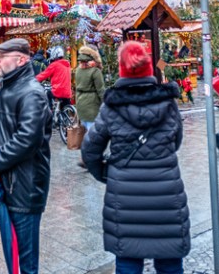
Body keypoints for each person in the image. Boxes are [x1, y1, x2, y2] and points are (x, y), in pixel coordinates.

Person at [81, 41, 189, 274]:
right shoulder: (168, 103)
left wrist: (106, 174)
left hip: (125, 196)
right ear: (149, 68)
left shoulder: (111, 107)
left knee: (129, 261)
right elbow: (176, 141)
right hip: (166, 195)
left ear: (122, 69)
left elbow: (90, 150)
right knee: (169, 260)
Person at [0, 38, 52, 274]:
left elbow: (28, 139)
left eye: (2, 55)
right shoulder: (3, 87)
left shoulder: (32, 93)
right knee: (13, 256)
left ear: (21, 59)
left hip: (24, 185)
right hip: (6, 182)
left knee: (25, 261)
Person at [74, 45, 105, 131]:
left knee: (86, 135)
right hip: (92, 106)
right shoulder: (95, 71)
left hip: (81, 104)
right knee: (93, 136)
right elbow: (101, 91)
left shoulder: (78, 69)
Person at [36, 45, 72, 111]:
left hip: (58, 91)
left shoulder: (54, 65)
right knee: (64, 109)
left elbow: (43, 75)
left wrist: (33, 80)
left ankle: (50, 112)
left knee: (47, 93)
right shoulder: (67, 64)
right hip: (67, 92)